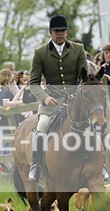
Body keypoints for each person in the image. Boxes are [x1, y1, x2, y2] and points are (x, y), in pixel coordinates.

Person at [27, 14, 89, 182]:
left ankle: (98, 163)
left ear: (67, 32)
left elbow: (85, 77)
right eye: (56, 31)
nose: (60, 34)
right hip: (52, 101)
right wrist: (45, 98)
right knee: (42, 125)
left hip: (75, 100)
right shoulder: (40, 53)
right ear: (50, 33)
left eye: (63, 31)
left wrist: (79, 92)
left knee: (91, 126)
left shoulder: (78, 49)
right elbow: (33, 83)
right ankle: (36, 164)